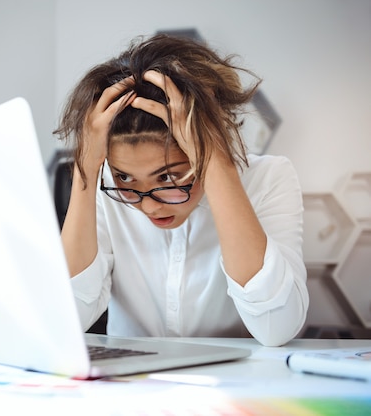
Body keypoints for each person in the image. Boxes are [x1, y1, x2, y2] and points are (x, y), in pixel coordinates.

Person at [53, 33, 308, 347]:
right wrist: (85, 171)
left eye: (168, 180)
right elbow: (66, 318)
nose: (149, 206)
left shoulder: (269, 178)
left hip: (237, 383)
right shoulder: (106, 188)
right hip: (133, 382)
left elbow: (278, 327)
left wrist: (217, 164)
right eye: (126, 179)